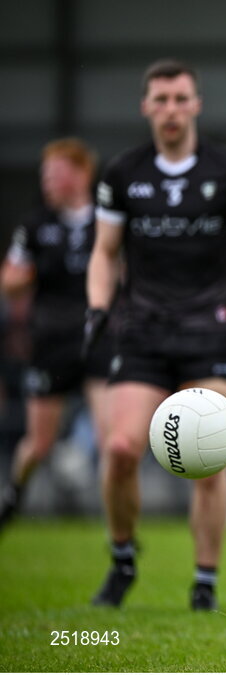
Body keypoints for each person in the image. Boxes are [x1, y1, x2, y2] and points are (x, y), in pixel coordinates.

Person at [85, 59, 226, 611]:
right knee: (121, 448)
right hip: (143, 334)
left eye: (180, 99)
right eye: (161, 100)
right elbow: (103, 252)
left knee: (208, 454)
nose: (171, 110)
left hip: (210, 336)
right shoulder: (123, 173)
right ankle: (123, 559)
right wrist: (97, 307)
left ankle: (205, 582)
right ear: (146, 107)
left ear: (195, 105)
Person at [0, 138, 110, 532]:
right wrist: (22, 276)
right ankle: (14, 494)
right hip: (50, 342)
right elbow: (10, 281)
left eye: (56, 172)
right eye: (45, 174)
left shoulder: (107, 220)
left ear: (81, 174)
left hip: (99, 338)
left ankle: (116, 531)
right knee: (39, 443)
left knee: (111, 438)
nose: (48, 181)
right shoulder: (35, 226)